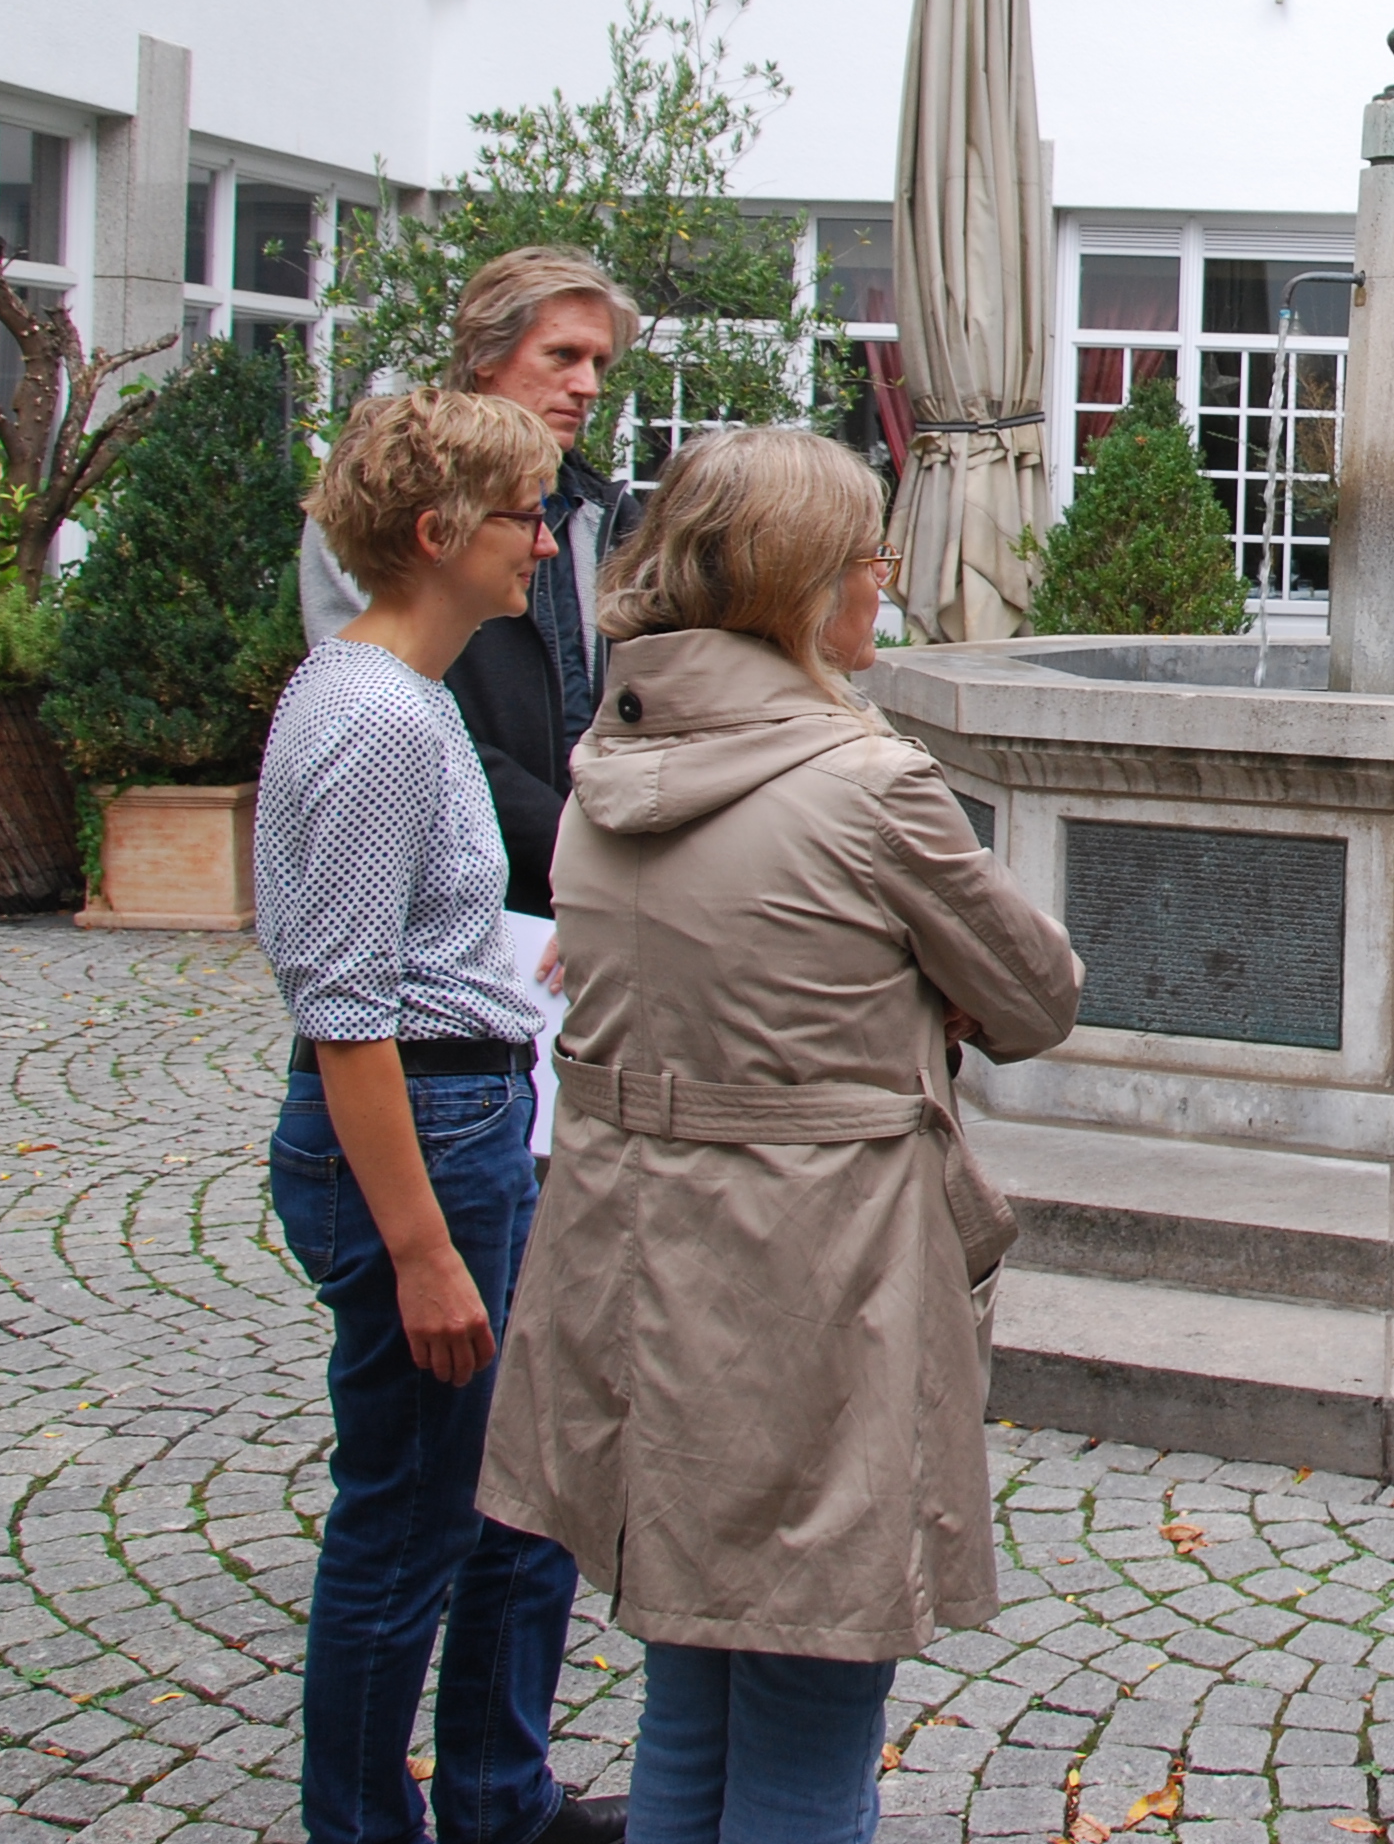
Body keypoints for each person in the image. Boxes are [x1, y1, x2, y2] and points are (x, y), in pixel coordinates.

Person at [478, 427, 1084, 1844]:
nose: (887, 581)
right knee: (813, 1721)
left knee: (689, 1695)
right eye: (870, 556)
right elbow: (1037, 995)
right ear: (807, 588)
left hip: (636, 1262)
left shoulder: (612, 761)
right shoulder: (869, 788)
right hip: (815, 1281)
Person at [258, 388, 617, 1844]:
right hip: (419, 1144)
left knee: (492, 1510)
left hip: (466, 1112)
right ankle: (360, 1825)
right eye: (525, 517)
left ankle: (491, 1803)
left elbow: (406, 949)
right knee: (403, 1533)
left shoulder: (404, 703)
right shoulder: (371, 719)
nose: (544, 545)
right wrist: (420, 1251)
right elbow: (346, 1013)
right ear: (437, 534)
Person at [305, 247, 641, 914]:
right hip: (448, 901)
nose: (589, 385)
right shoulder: (383, 504)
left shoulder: (607, 519)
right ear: (486, 355)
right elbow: (393, 724)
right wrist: (577, 858)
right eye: (563, 356)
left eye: (599, 363)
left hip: (596, 898)